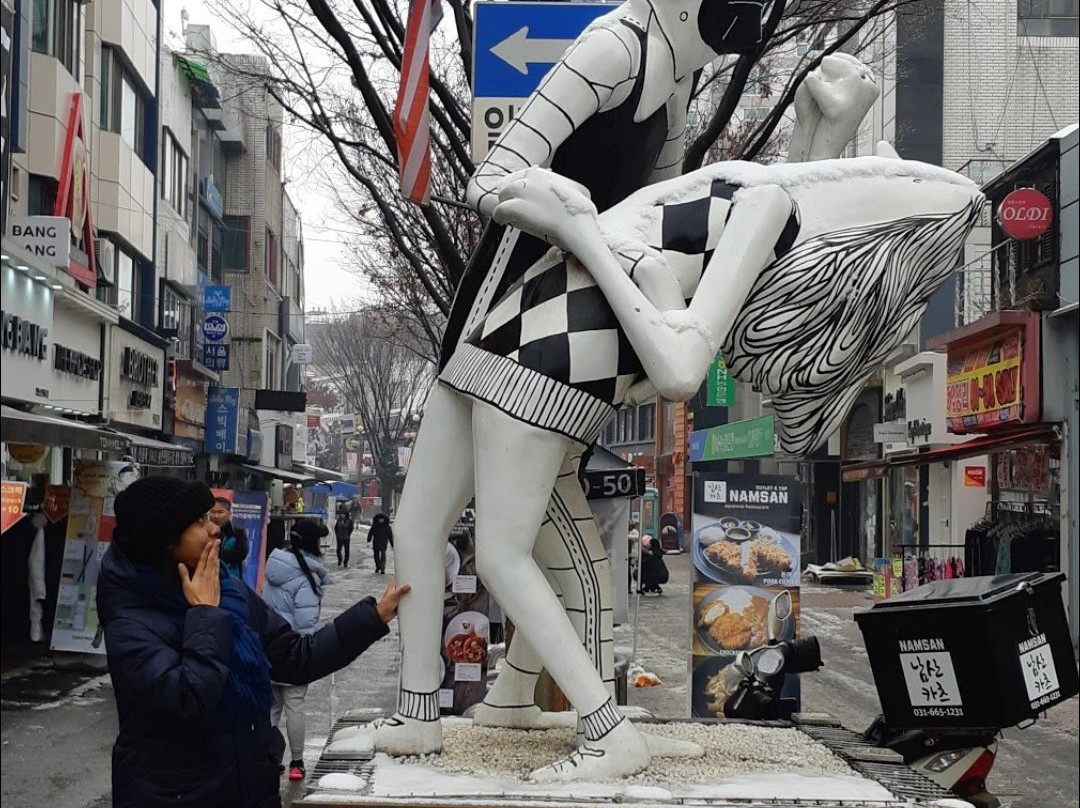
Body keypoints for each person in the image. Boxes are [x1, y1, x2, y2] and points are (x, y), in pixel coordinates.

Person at [96, 476, 410, 808]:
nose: (215, 528)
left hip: (249, 786)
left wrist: (373, 618)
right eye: (199, 522)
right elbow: (188, 702)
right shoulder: (130, 619)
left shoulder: (227, 590)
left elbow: (294, 657)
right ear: (164, 540)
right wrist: (204, 613)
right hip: (177, 794)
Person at [263, 519, 331, 780]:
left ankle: (267, 757)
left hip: (268, 645)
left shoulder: (274, 566)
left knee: (271, 708)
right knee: (295, 706)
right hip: (293, 649)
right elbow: (306, 624)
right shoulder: (306, 578)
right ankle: (297, 762)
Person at [209, 496, 249, 579]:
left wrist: (216, 554)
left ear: (229, 514)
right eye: (213, 512)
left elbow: (241, 554)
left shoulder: (238, 532)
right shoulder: (205, 532)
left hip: (232, 578)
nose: (216, 516)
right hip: (209, 577)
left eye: (220, 512)